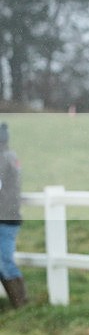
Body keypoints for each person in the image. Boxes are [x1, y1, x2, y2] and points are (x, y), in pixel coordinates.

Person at [0, 122, 26, 308]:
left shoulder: (3, 159)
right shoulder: (10, 157)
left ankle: (20, 303)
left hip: (5, 218)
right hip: (9, 215)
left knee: (5, 261)